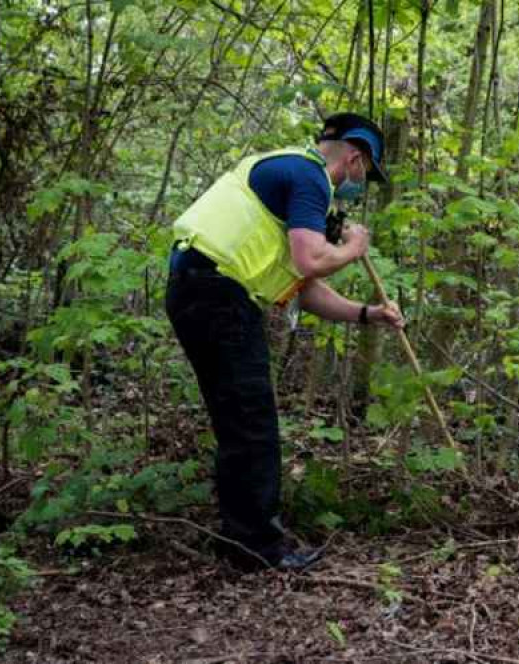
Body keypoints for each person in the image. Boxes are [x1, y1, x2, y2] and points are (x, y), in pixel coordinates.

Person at [165, 112, 404, 571]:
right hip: (217, 294)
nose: (362, 184)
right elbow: (311, 258)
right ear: (354, 158)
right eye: (366, 175)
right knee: (252, 422)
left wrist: (366, 314)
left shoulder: (286, 179)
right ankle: (257, 549)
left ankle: (245, 542)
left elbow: (305, 288)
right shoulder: (309, 175)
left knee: (241, 421)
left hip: (203, 291)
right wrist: (353, 248)